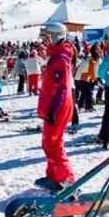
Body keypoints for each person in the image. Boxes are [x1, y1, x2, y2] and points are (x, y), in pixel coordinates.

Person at [36, 22, 75, 190]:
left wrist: (53, 110)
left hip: (57, 106)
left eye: (46, 37)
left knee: (53, 144)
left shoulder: (60, 59)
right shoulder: (56, 55)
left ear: (55, 37)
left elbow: (63, 88)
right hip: (54, 104)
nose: (44, 41)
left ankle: (68, 180)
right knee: (49, 142)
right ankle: (53, 176)